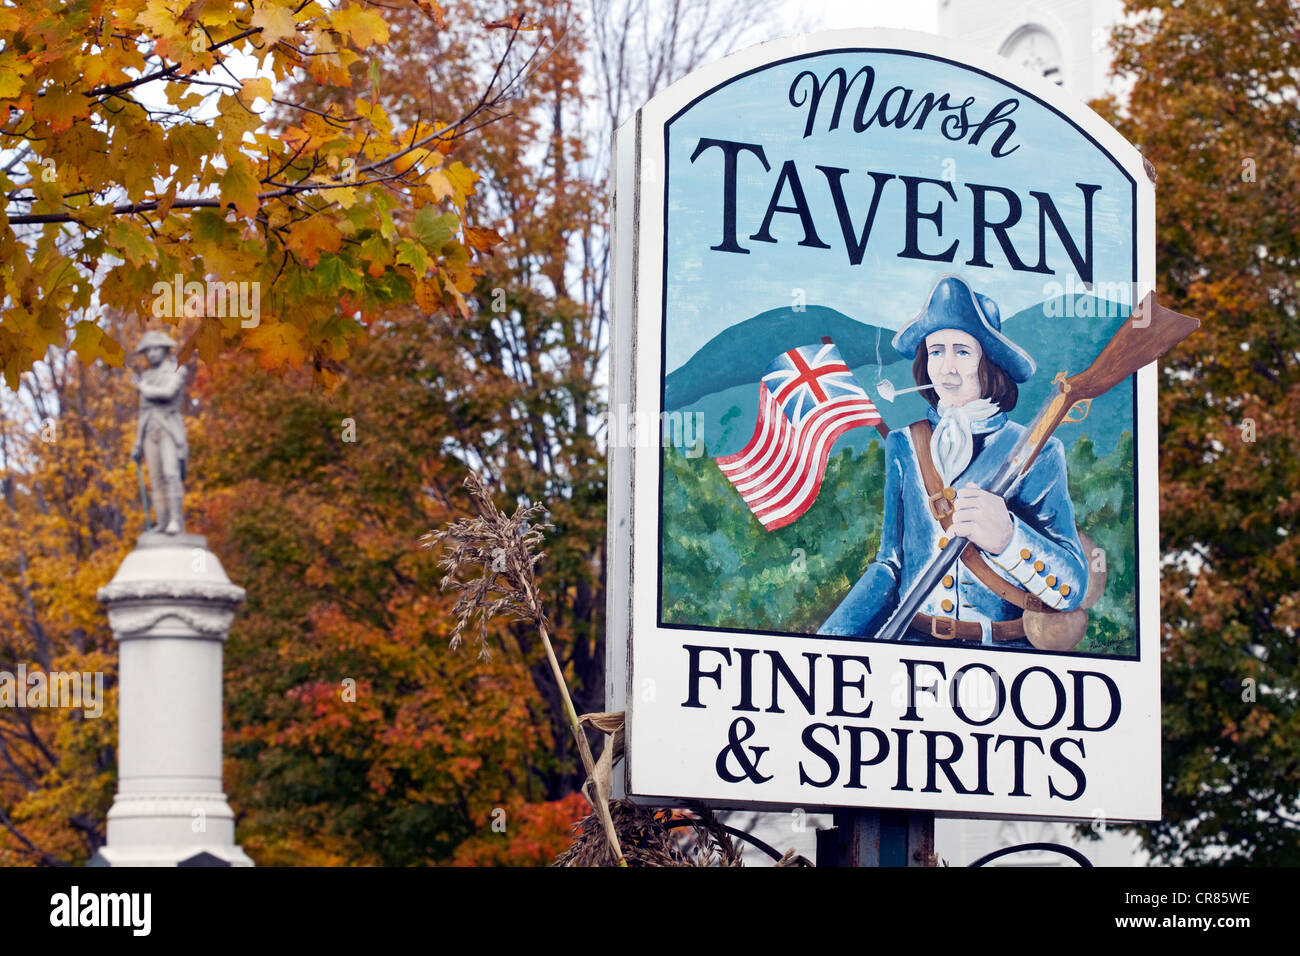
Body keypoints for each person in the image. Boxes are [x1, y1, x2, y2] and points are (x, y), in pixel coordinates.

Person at [818, 274, 1089, 648]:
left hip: (1004, 658)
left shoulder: (1039, 450)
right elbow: (889, 566)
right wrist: (828, 640)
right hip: (914, 649)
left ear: (989, 362)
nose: (946, 368)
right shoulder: (903, 445)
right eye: (935, 351)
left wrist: (1009, 538)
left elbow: (1073, 587)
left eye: (961, 351)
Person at [130, 330, 189, 535]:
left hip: (169, 429)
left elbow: (168, 393)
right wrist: (137, 441)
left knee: (171, 474)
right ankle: (162, 522)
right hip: (150, 431)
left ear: (164, 349)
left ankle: (175, 520)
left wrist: (144, 389)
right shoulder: (147, 376)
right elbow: (144, 411)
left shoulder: (177, 370)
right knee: (155, 479)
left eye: (156, 348)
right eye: (148, 350)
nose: (152, 353)